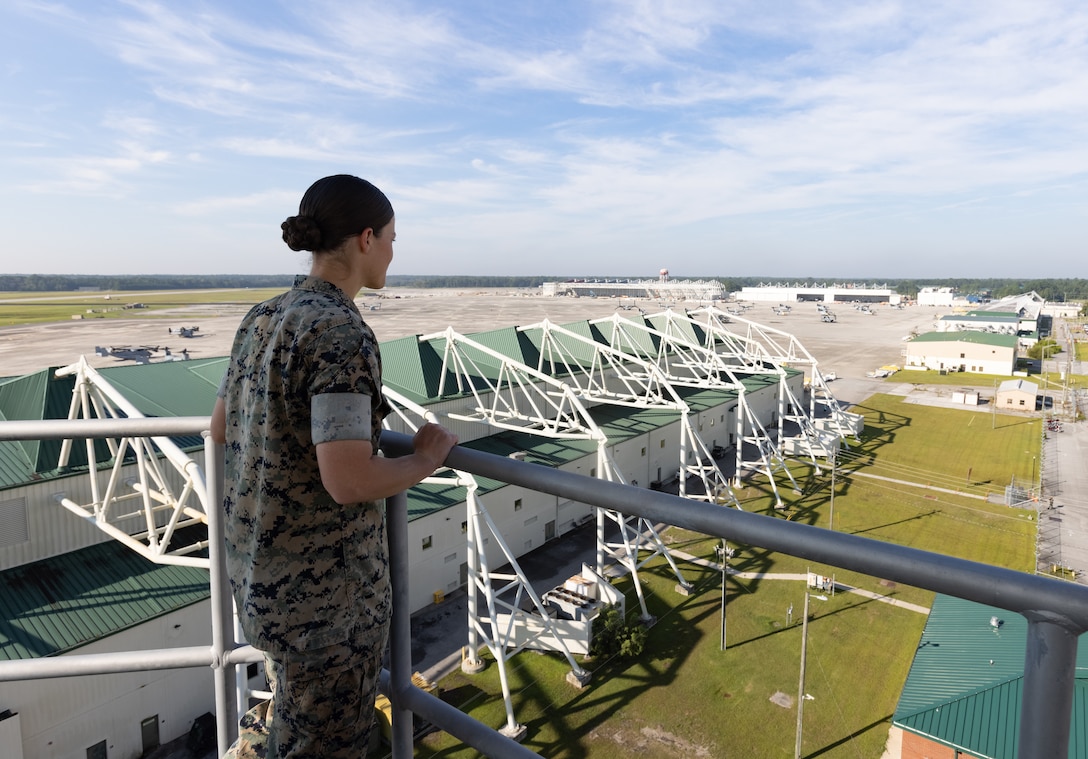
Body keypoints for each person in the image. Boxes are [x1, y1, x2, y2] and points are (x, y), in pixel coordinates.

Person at [210, 174, 458, 758]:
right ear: (366, 239)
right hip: (326, 611)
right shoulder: (341, 332)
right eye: (394, 238)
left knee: (289, 731)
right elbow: (348, 480)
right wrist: (425, 458)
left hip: (262, 583)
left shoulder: (262, 317)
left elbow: (222, 428)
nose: (395, 252)